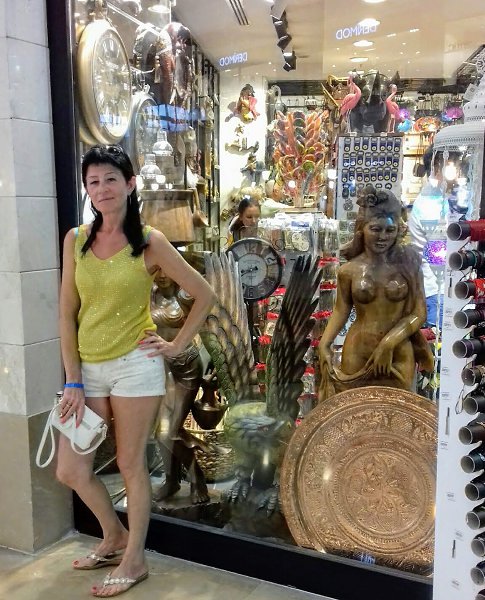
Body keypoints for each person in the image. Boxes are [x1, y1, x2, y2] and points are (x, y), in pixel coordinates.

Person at [57, 144, 215, 597]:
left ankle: (135, 559)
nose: (102, 188)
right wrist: (72, 378)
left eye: (110, 179)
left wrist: (175, 345)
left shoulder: (150, 241)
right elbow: (67, 311)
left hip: (135, 366)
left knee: (129, 463)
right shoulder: (76, 239)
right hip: (87, 370)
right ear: (87, 190)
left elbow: (204, 294)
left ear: (129, 184)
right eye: (93, 181)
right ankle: (113, 536)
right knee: (71, 468)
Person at [318, 185, 433, 400]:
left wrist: (389, 343)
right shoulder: (348, 271)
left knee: (398, 410)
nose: (383, 237)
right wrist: (324, 344)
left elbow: (419, 314)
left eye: (390, 230)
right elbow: (341, 311)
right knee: (355, 411)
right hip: (357, 351)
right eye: (375, 229)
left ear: (398, 230)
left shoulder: (409, 266)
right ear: (362, 228)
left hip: (398, 351)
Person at [150, 270, 209, 505]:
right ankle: (171, 480)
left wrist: (212, 363)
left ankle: (197, 478)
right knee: (161, 432)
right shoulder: (149, 293)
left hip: (186, 367)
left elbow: (207, 325)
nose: (162, 275)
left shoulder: (186, 295)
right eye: (157, 270)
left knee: (169, 432)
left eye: (167, 270)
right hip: (159, 367)